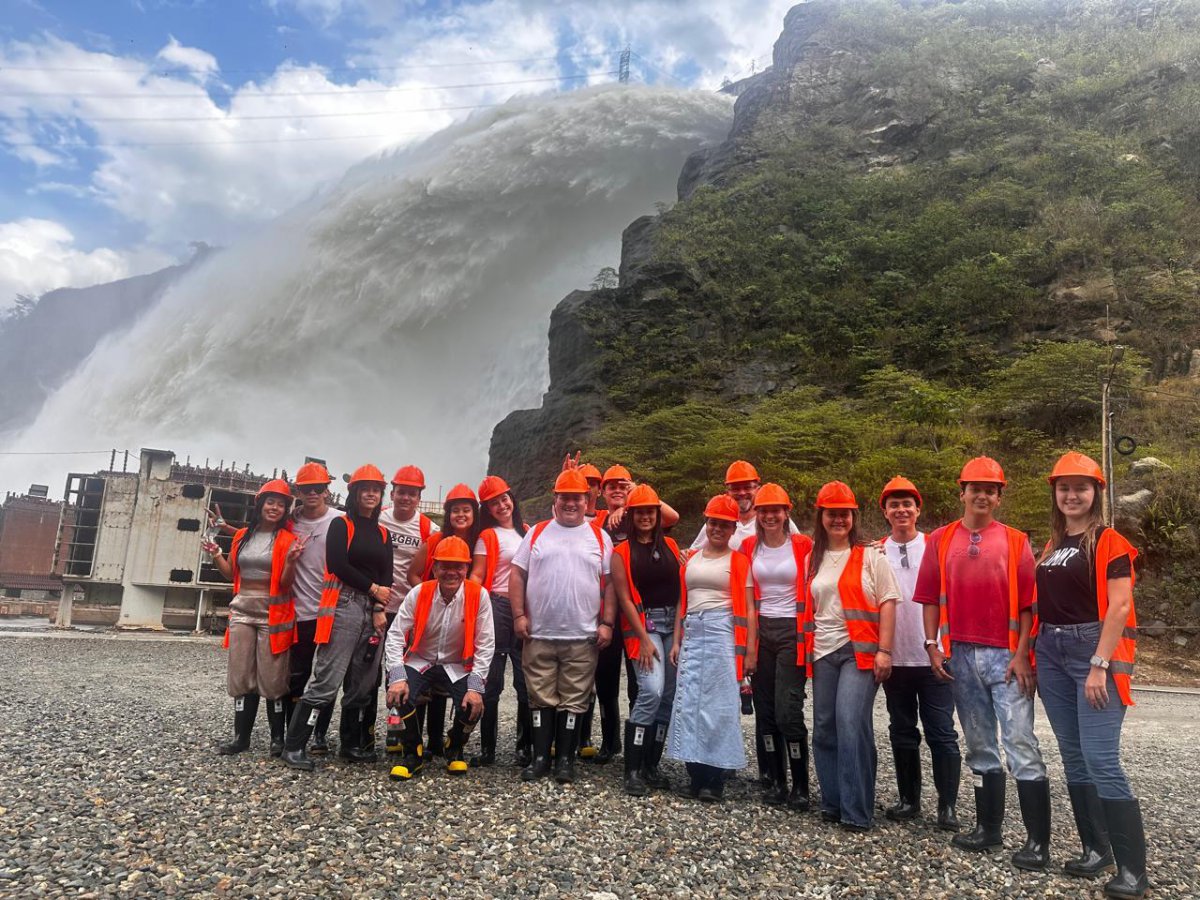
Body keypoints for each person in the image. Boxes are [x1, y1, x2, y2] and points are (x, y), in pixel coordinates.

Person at [914, 457, 1048, 869]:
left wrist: (1024, 654)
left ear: (999, 496)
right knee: (979, 744)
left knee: (1021, 744)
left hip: (1006, 656)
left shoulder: (1015, 540)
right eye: (976, 488)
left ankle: (1037, 844)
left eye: (991, 489)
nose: (983, 495)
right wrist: (932, 646)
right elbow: (931, 598)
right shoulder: (940, 539)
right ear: (963, 492)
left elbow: (1029, 604)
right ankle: (989, 830)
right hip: (961, 654)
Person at [1035, 452, 1147, 898]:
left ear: (1095, 492)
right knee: (1074, 756)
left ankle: (1133, 871)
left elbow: (1119, 606)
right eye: (1064, 488)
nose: (1071, 495)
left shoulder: (1110, 541)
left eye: (1081, 487)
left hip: (1091, 650)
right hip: (1051, 650)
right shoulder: (1053, 544)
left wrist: (1099, 664)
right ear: (1056, 494)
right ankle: (1095, 850)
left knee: (1101, 759)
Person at [280, 464, 393, 771]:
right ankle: (294, 746)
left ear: (381, 494)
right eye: (364, 489)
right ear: (354, 494)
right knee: (326, 678)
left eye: (375, 489)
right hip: (343, 605)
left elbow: (387, 573)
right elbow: (337, 564)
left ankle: (351, 745)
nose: (370, 494)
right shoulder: (342, 526)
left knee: (362, 681)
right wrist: (373, 590)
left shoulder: (383, 532)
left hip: (372, 611)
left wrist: (379, 608)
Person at [802, 481, 898, 831]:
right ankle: (832, 802)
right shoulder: (811, 556)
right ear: (821, 516)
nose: (838, 519)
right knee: (825, 727)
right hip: (822, 651)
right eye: (832, 513)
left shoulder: (872, 555)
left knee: (850, 722)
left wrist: (885, 651)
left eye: (844, 514)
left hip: (861, 651)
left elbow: (888, 601)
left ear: (853, 516)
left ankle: (857, 810)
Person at [511, 469, 616, 785]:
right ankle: (542, 758)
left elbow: (610, 584)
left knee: (574, 698)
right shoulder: (538, 532)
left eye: (577, 497)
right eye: (565, 497)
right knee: (540, 698)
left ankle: (566, 761)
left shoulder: (599, 536)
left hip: (582, 636)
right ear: (555, 499)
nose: (571, 503)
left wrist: (607, 622)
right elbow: (517, 574)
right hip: (539, 633)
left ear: (587, 500)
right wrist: (518, 615)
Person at [877, 476, 961, 830]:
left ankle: (948, 805)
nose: (901, 510)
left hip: (934, 656)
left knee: (942, 731)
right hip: (894, 657)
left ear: (918, 509)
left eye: (907, 504)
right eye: (894, 504)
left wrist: (944, 644)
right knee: (901, 729)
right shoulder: (875, 552)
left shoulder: (936, 546)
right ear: (884, 511)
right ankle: (909, 799)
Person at [668, 494, 756, 802]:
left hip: (723, 633)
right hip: (693, 631)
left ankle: (715, 777)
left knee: (719, 706)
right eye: (712, 523)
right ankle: (695, 773)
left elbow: (748, 607)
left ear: (733, 528)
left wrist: (749, 651)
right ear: (706, 525)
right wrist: (677, 639)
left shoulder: (739, 561)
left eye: (724, 524)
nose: (717, 529)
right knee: (690, 703)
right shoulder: (690, 558)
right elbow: (683, 600)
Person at [384, 536, 495, 779]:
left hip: (457, 665)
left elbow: (486, 644)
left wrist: (475, 687)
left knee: (474, 703)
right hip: (421, 660)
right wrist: (397, 676)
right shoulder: (419, 593)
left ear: (466, 567)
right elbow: (394, 636)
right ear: (434, 567)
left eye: (458, 566)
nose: (451, 572)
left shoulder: (479, 596)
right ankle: (413, 752)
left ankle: (454, 746)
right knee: (399, 690)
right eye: (445, 565)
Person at [207, 479, 301, 757]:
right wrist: (216, 555)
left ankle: (277, 739)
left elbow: (285, 583)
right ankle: (241, 738)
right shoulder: (242, 536)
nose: (275, 507)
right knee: (241, 676)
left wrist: (293, 561)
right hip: (242, 611)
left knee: (273, 679)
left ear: (286, 510)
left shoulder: (288, 540)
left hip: (273, 615)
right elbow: (230, 573)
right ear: (260, 504)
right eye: (270, 502)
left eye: (281, 504)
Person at [740, 483, 814, 809]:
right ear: (756, 513)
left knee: (788, 712)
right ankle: (774, 779)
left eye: (776, 510)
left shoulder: (803, 545)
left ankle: (800, 784)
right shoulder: (747, 547)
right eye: (764, 510)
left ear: (787, 512)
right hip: (760, 632)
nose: (770, 515)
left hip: (792, 632)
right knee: (766, 712)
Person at [611, 484, 683, 795]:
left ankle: (651, 765)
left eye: (650, 511)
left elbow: (683, 591)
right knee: (651, 690)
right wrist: (643, 639)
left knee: (668, 696)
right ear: (631, 516)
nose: (645, 516)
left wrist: (678, 637)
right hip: (645, 626)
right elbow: (625, 599)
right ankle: (633, 770)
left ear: (656, 514)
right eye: (639, 511)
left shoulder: (670, 545)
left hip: (673, 625)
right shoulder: (621, 552)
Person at [375, 465, 440, 757]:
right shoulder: (379, 519)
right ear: (393, 492)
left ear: (419, 497)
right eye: (402, 492)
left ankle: (400, 728)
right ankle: (375, 727)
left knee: (409, 669)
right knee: (375, 671)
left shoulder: (429, 529)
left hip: (411, 611)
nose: (406, 498)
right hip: (377, 607)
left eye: (412, 494)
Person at [468, 475, 531, 767]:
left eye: (504, 499)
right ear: (488, 510)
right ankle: (488, 750)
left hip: (524, 608)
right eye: (494, 503)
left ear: (512, 499)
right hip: (495, 606)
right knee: (492, 679)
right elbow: (478, 576)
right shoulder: (487, 536)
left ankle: (524, 748)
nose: (502, 505)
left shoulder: (527, 532)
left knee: (524, 678)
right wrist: (470, 609)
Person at [285, 462, 342, 755]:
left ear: (326, 491)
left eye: (318, 488)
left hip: (330, 612)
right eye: (306, 489)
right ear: (299, 491)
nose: (312, 493)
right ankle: (292, 733)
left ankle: (319, 733)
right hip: (298, 613)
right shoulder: (290, 522)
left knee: (325, 677)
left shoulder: (339, 521)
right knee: (296, 676)